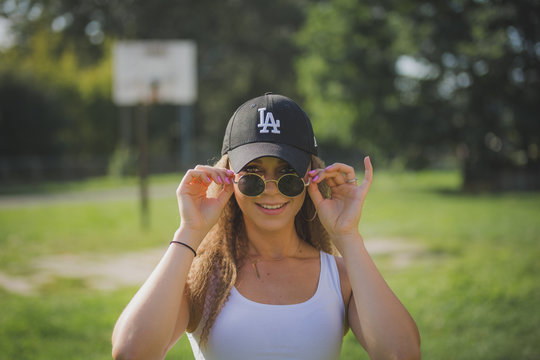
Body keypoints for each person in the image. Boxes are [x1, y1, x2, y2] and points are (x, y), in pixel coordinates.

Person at [111, 93, 421, 360]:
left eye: (287, 174)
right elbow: (132, 352)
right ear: (228, 178)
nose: (271, 188)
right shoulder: (203, 277)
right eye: (253, 176)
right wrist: (189, 231)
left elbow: (401, 353)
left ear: (311, 178)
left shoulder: (339, 277)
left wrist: (348, 236)